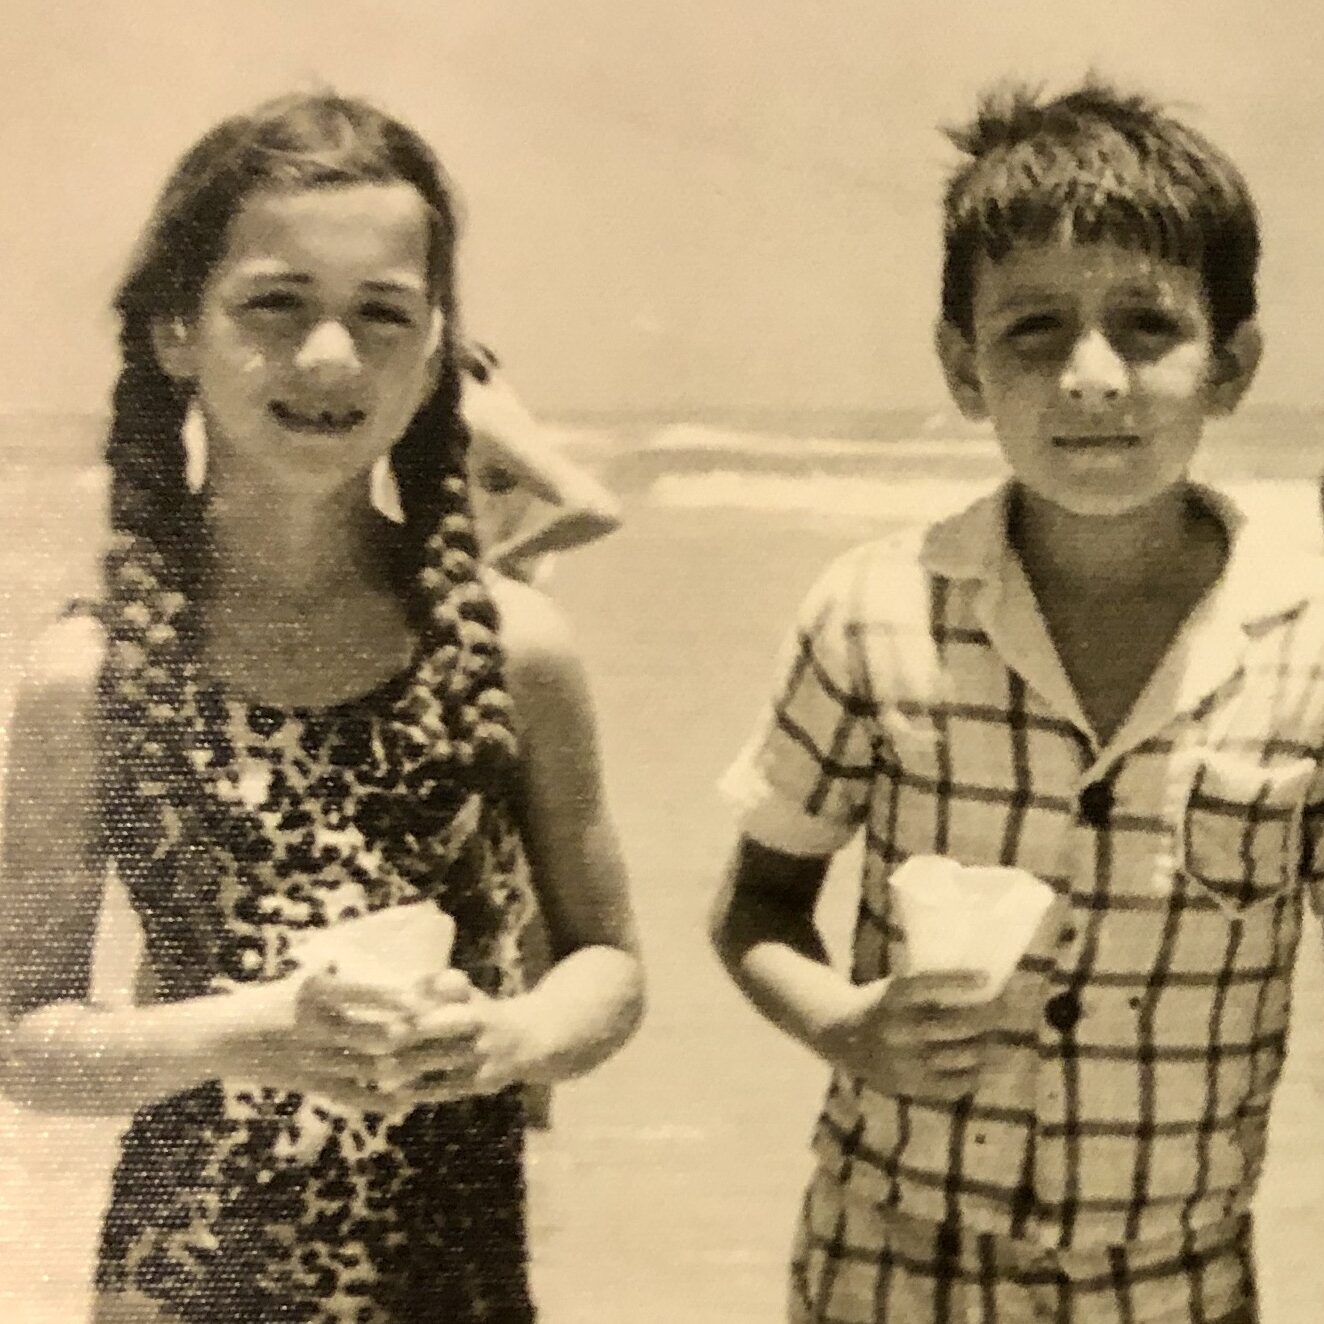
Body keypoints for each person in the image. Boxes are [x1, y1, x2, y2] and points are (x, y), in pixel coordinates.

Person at [0, 91, 643, 1323]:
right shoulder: (96, 680)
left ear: (435, 348)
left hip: (450, 1286)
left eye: (381, 313)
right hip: (184, 1286)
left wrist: (508, 1041)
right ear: (176, 330)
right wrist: (247, 1030)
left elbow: (608, 965)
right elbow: (25, 1036)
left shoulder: (514, 649)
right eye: (275, 304)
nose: (330, 358)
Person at [710, 79, 1323, 1324]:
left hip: (1177, 1271)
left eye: (1147, 327)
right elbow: (755, 908)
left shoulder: (1306, 642)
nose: (1091, 378)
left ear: (1233, 367)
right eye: (1033, 330)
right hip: (886, 1249)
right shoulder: (874, 611)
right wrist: (846, 1025)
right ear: (962, 366)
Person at [461, 342, 622, 585]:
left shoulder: (477, 414)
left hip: (496, 593)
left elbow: (599, 509)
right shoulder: (491, 412)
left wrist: (498, 560)